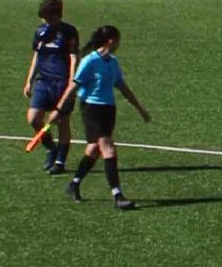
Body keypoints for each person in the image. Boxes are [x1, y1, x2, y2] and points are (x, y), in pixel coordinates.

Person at [50, 26, 150, 210]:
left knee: (94, 149)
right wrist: (59, 109)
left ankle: (74, 184)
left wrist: (139, 108)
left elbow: (122, 86)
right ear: (111, 40)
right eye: (118, 40)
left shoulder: (112, 61)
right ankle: (117, 195)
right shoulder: (90, 61)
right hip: (92, 109)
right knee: (108, 148)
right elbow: (73, 86)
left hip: (108, 109)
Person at [23, 0, 79, 174]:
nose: (44, 21)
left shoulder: (69, 32)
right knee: (33, 118)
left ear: (56, 15)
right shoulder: (40, 31)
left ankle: (60, 162)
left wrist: (72, 83)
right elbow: (37, 56)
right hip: (43, 81)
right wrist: (29, 81)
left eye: (47, 17)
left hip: (62, 82)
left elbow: (73, 58)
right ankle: (50, 148)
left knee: (63, 122)